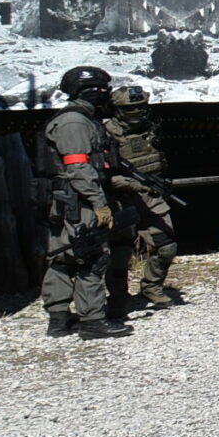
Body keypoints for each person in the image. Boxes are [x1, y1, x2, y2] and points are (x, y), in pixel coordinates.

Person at [38, 65, 128, 339]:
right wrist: (99, 203)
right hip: (79, 200)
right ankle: (92, 321)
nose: (106, 94)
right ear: (88, 91)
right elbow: (78, 167)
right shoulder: (74, 123)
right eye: (102, 89)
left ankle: (59, 320)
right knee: (92, 256)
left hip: (69, 199)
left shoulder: (81, 119)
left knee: (65, 255)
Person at [103, 83, 179, 312]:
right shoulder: (105, 133)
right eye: (130, 108)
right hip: (121, 200)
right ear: (117, 109)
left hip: (150, 197)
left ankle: (152, 287)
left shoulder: (150, 127)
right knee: (120, 253)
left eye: (141, 106)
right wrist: (131, 184)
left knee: (166, 247)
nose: (136, 111)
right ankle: (118, 297)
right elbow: (102, 174)